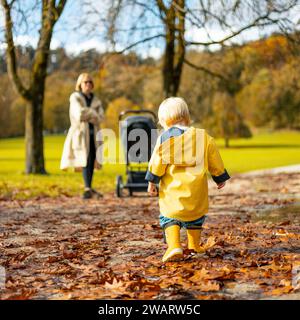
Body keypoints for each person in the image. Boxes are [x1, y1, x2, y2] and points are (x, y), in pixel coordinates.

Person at [145, 97, 230, 262]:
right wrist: (219, 177)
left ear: (164, 120)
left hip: (173, 194)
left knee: (169, 217)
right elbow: (214, 157)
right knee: (196, 218)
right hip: (196, 193)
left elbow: (157, 161)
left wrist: (152, 181)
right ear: (186, 115)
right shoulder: (203, 136)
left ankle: (174, 245)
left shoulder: (165, 138)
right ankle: (194, 246)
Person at [60, 73, 104, 199]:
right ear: (80, 84)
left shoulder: (96, 100)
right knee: (84, 159)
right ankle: (87, 188)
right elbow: (79, 114)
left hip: (94, 134)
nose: (88, 84)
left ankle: (89, 187)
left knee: (92, 159)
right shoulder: (75, 97)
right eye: (85, 82)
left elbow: (100, 117)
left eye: (90, 82)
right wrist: (93, 113)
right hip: (80, 134)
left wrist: (89, 114)